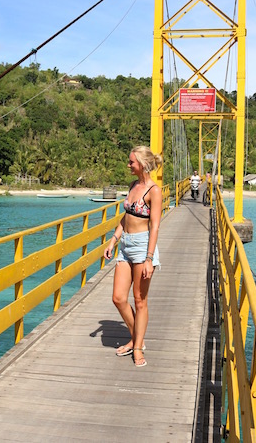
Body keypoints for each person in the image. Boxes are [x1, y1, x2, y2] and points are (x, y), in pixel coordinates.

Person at [103, 145, 163, 367]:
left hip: (142, 247)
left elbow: (155, 226)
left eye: (131, 162)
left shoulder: (154, 191)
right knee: (118, 298)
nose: (128, 165)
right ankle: (137, 337)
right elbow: (125, 216)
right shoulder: (132, 186)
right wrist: (113, 240)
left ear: (143, 165)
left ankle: (137, 347)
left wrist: (149, 259)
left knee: (140, 301)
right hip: (125, 245)